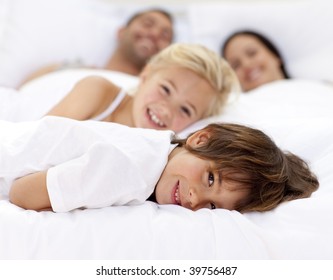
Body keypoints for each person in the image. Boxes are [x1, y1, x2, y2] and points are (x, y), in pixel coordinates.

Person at [2, 116, 318, 213]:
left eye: (211, 207)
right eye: (210, 180)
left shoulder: (160, 146)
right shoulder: (130, 169)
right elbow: (21, 194)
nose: (194, 199)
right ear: (200, 139)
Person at [45, 43, 239, 133]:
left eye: (186, 110)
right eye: (166, 89)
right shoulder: (97, 92)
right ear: (146, 75)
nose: (166, 110)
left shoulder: (157, 156)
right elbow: (37, 139)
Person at [19, 8, 174, 86]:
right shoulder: (67, 70)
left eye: (164, 36)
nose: (154, 34)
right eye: (147, 24)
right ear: (121, 32)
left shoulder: (150, 99)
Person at [221, 30, 289, 92]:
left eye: (252, 53)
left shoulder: (299, 90)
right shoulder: (235, 105)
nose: (246, 64)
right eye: (235, 65)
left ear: (275, 55)